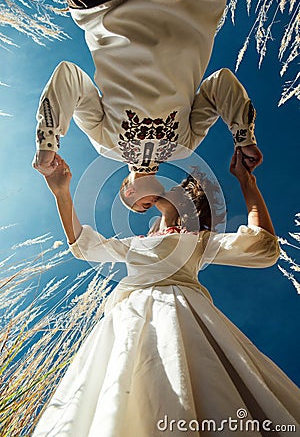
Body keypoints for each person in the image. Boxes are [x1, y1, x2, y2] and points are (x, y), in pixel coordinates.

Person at [31, 149, 300, 436]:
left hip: (182, 310)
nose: (143, 198)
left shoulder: (196, 241)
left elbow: (263, 248)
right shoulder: (136, 243)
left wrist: (248, 182)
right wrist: (61, 191)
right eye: (138, 201)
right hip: (129, 317)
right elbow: (83, 245)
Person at [32, 0, 263, 212]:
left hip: (103, 7)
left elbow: (69, 77)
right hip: (192, 5)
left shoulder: (107, 146)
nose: (155, 204)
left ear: (129, 192)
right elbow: (219, 84)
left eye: (146, 205)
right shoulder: (183, 148)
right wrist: (243, 137)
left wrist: (47, 141)